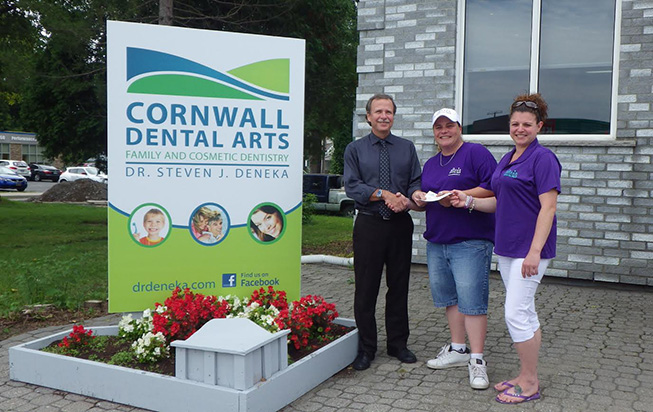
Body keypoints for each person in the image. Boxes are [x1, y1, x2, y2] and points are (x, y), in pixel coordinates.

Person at [450, 93, 561, 404]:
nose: (520, 128)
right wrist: (468, 201)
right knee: (524, 312)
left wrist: (535, 251)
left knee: (514, 314)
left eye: (527, 124)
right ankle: (526, 374)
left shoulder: (543, 159)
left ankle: (529, 383)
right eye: (515, 123)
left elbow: (548, 208)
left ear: (539, 126)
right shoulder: (508, 158)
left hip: (530, 252)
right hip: (508, 249)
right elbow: (500, 201)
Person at [411, 108, 497, 390]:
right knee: (450, 298)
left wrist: (463, 196)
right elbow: (427, 197)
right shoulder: (433, 163)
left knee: (472, 300)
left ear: (459, 128)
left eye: (449, 125)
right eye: (439, 127)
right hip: (438, 240)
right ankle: (458, 350)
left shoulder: (475, 154)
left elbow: (495, 189)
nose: (444, 131)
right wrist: (419, 197)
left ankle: (478, 360)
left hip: (470, 240)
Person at [343, 93, 422, 371]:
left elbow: (414, 181)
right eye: (378, 111)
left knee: (398, 287)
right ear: (368, 116)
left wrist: (413, 196)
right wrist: (384, 194)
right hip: (369, 224)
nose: (384, 116)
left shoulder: (406, 148)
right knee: (366, 289)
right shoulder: (355, 149)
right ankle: (366, 348)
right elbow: (352, 186)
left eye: (388, 111)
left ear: (393, 116)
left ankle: (398, 344)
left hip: (400, 224)